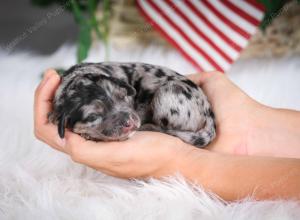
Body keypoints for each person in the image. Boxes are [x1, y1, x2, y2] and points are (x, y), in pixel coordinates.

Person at [34, 69, 300, 201]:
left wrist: (180, 160)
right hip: (186, 107)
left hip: (179, 102)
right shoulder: (70, 104)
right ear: (62, 123)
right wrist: (248, 126)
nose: (127, 120)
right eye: (96, 116)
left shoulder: (110, 81)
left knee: (161, 99)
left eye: (123, 99)